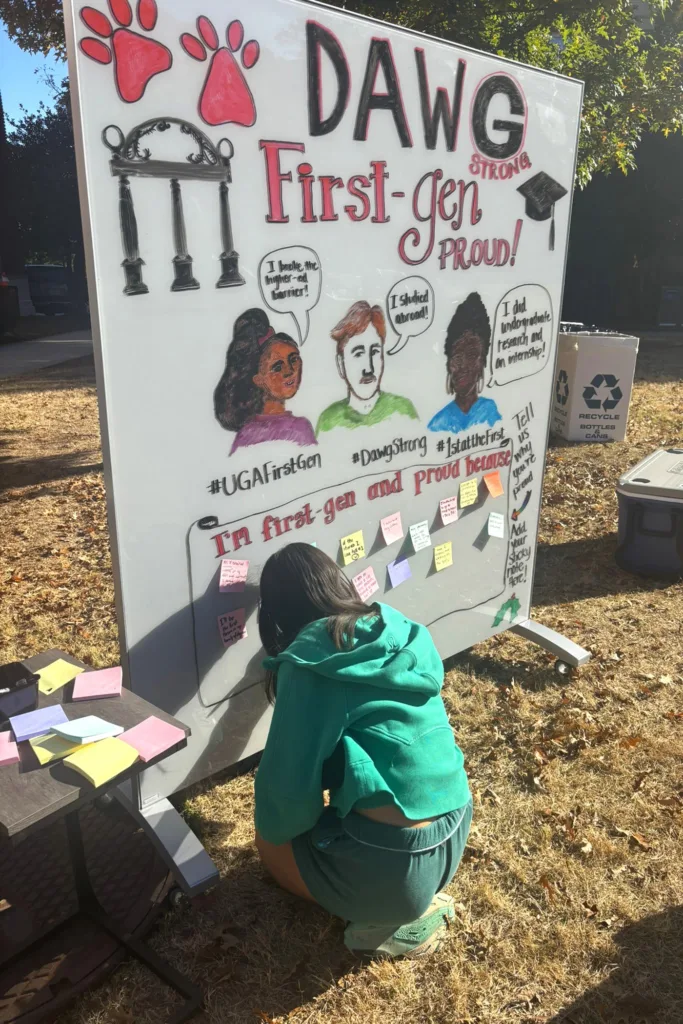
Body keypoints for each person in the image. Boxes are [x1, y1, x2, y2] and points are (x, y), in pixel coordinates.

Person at [254, 543, 472, 958]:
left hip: (398, 872)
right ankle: (409, 897)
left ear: (276, 614)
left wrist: (283, 826)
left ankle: (384, 923)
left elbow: (285, 795)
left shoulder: (309, 662)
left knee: (269, 844)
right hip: (457, 825)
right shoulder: (400, 629)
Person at [214, 308, 317, 455]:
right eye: (277, 367)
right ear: (258, 379)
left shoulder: (302, 427)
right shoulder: (248, 435)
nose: (289, 371)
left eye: (293, 359)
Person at [316, 301, 418, 434]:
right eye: (358, 354)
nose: (368, 368)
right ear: (341, 365)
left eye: (375, 352)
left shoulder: (403, 410)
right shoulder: (328, 422)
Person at [428, 292, 502, 434]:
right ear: (448, 364)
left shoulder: (491, 412)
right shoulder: (438, 424)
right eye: (457, 357)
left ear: (483, 361)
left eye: (472, 355)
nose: (463, 366)